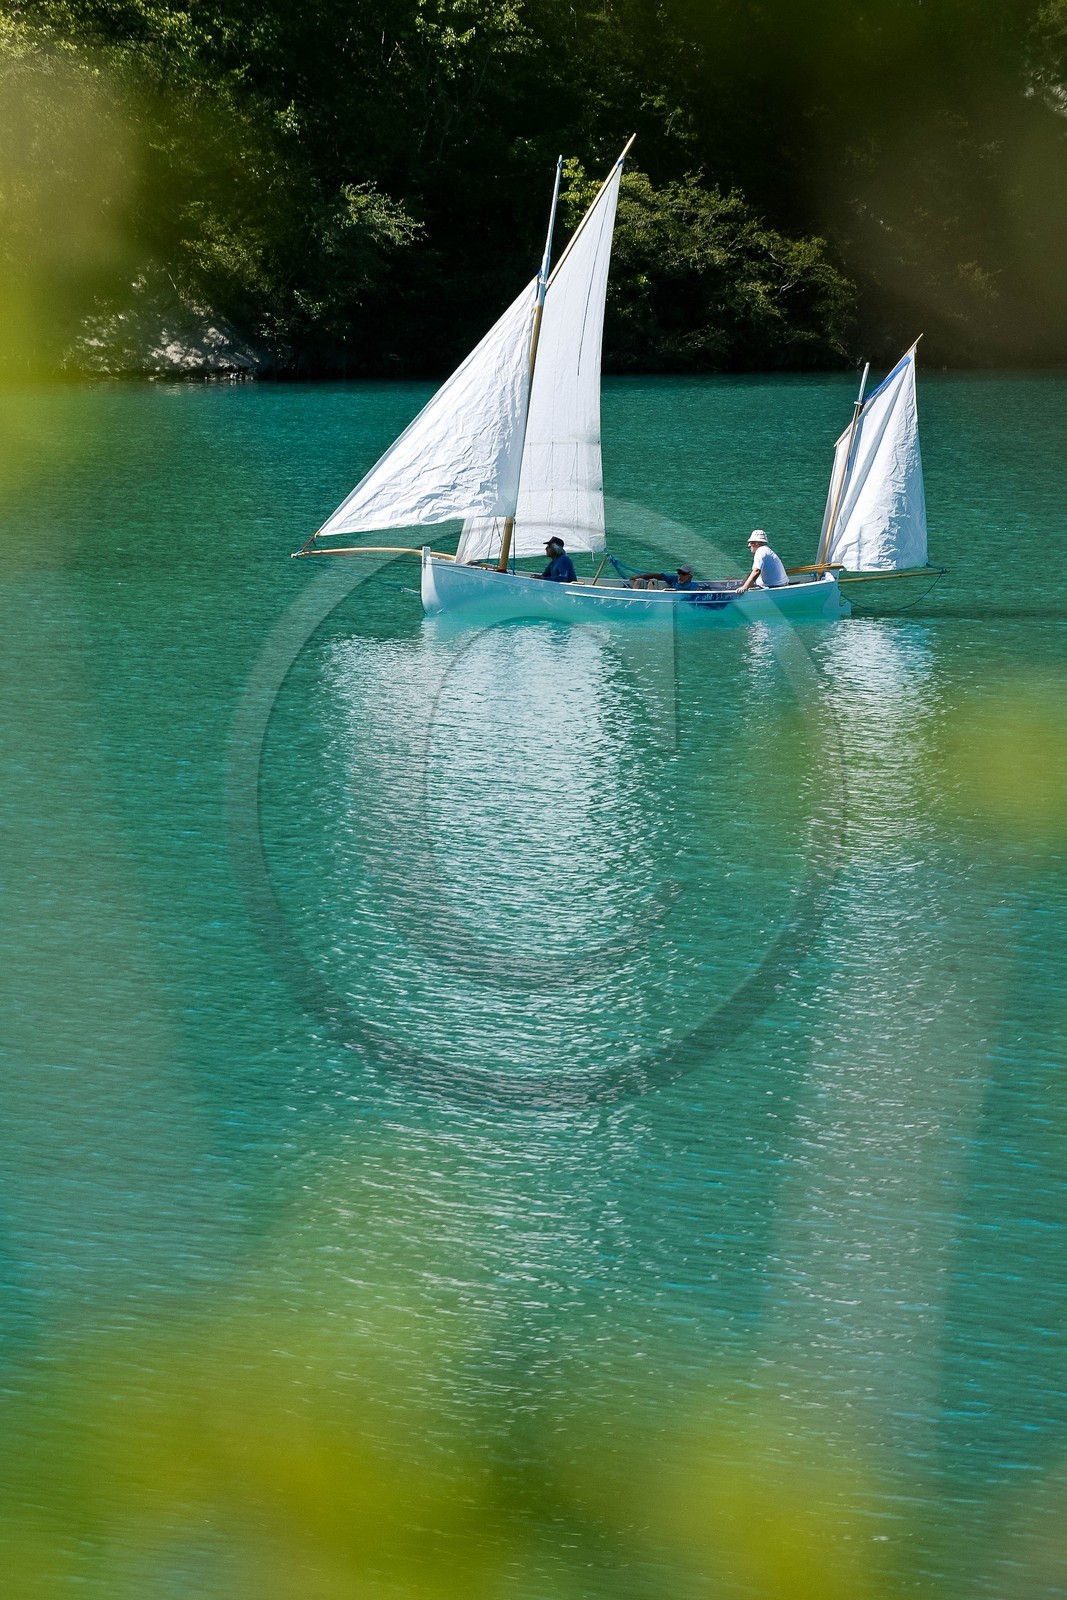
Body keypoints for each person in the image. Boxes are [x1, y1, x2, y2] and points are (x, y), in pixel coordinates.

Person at [631, 563, 697, 590]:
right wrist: (638, 576)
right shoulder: (674, 579)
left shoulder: (693, 586)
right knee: (642, 581)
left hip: (673, 601)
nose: (680, 575)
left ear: (690, 576)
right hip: (662, 599)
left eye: (683, 574)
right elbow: (659, 576)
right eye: (679, 573)